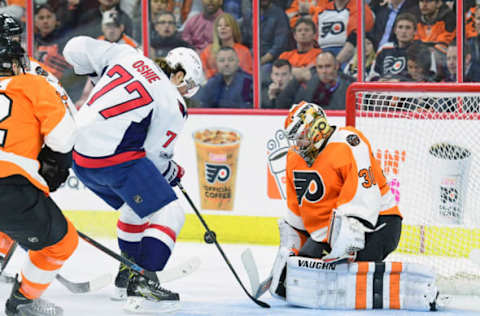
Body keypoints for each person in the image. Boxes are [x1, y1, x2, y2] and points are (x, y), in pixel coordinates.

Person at [62, 36, 204, 313]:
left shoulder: (128, 55)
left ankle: (126, 274)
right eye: (187, 86)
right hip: (113, 160)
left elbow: (73, 47)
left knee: (135, 208)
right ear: (177, 74)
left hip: (78, 158)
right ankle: (144, 283)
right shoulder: (173, 102)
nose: (186, 93)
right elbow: (153, 157)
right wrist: (172, 171)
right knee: (170, 212)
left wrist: (95, 73)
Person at [268, 101, 438, 311]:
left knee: (348, 273)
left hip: (379, 223)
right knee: (304, 273)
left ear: (317, 128)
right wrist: (290, 254)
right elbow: (297, 214)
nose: (298, 145)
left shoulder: (349, 142)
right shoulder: (294, 158)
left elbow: (363, 198)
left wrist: (341, 248)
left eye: (302, 137)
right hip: (329, 233)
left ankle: (413, 288)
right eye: (295, 140)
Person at [0, 37, 78, 316]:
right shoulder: (32, 83)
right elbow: (62, 135)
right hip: (10, 187)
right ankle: (23, 302)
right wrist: (54, 163)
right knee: (62, 243)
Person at [279, 51, 355, 109]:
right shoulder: (309, 86)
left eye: (328, 66)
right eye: (320, 67)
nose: (324, 71)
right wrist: (296, 81)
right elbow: (282, 105)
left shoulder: (349, 85)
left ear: (336, 66)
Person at [200, 12, 252, 79]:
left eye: (227, 25)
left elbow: (247, 75)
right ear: (216, 29)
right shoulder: (208, 51)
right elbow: (202, 72)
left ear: (233, 29)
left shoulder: (244, 51)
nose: (222, 28)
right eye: (219, 26)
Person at [278, 17, 322, 85]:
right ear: (295, 36)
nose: (303, 33)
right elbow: (278, 74)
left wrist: (288, 71)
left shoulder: (320, 55)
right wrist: (302, 70)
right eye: (299, 30)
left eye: (307, 30)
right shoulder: (285, 55)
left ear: (314, 35)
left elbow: (310, 74)